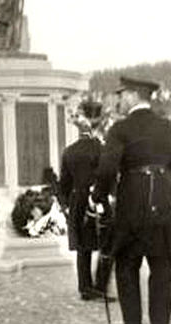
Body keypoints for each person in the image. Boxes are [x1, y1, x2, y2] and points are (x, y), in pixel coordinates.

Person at [92, 77, 171, 324]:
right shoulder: (169, 127)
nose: (120, 99)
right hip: (165, 200)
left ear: (135, 95)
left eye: (123, 94)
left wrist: (99, 196)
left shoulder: (120, 129)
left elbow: (107, 169)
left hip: (132, 202)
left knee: (127, 264)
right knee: (162, 265)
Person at [59, 101, 115, 302]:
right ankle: (100, 286)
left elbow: (63, 184)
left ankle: (85, 287)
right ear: (97, 124)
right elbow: (108, 177)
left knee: (83, 247)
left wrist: (66, 205)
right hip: (99, 200)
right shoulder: (102, 149)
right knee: (107, 244)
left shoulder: (69, 151)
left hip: (77, 202)